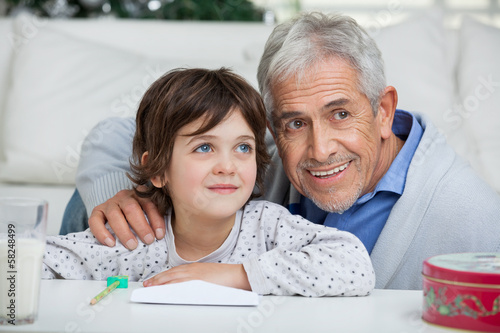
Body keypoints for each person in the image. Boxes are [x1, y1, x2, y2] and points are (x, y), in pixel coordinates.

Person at [64, 12, 500, 290]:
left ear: (383, 111)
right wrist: (120, 192)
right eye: (295, 123)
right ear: (272, 127)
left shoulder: (472, 217)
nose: (320, 149)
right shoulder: (251, 155)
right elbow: (116, 132)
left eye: (341, 114)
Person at [43, 67, 375, 296]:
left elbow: (355, 265)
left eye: (243, 147)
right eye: (204, 147)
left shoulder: (267, 227)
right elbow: (28, 260)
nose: (227, 166)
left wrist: (237, 276)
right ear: (157, 170)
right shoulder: (136, 239)